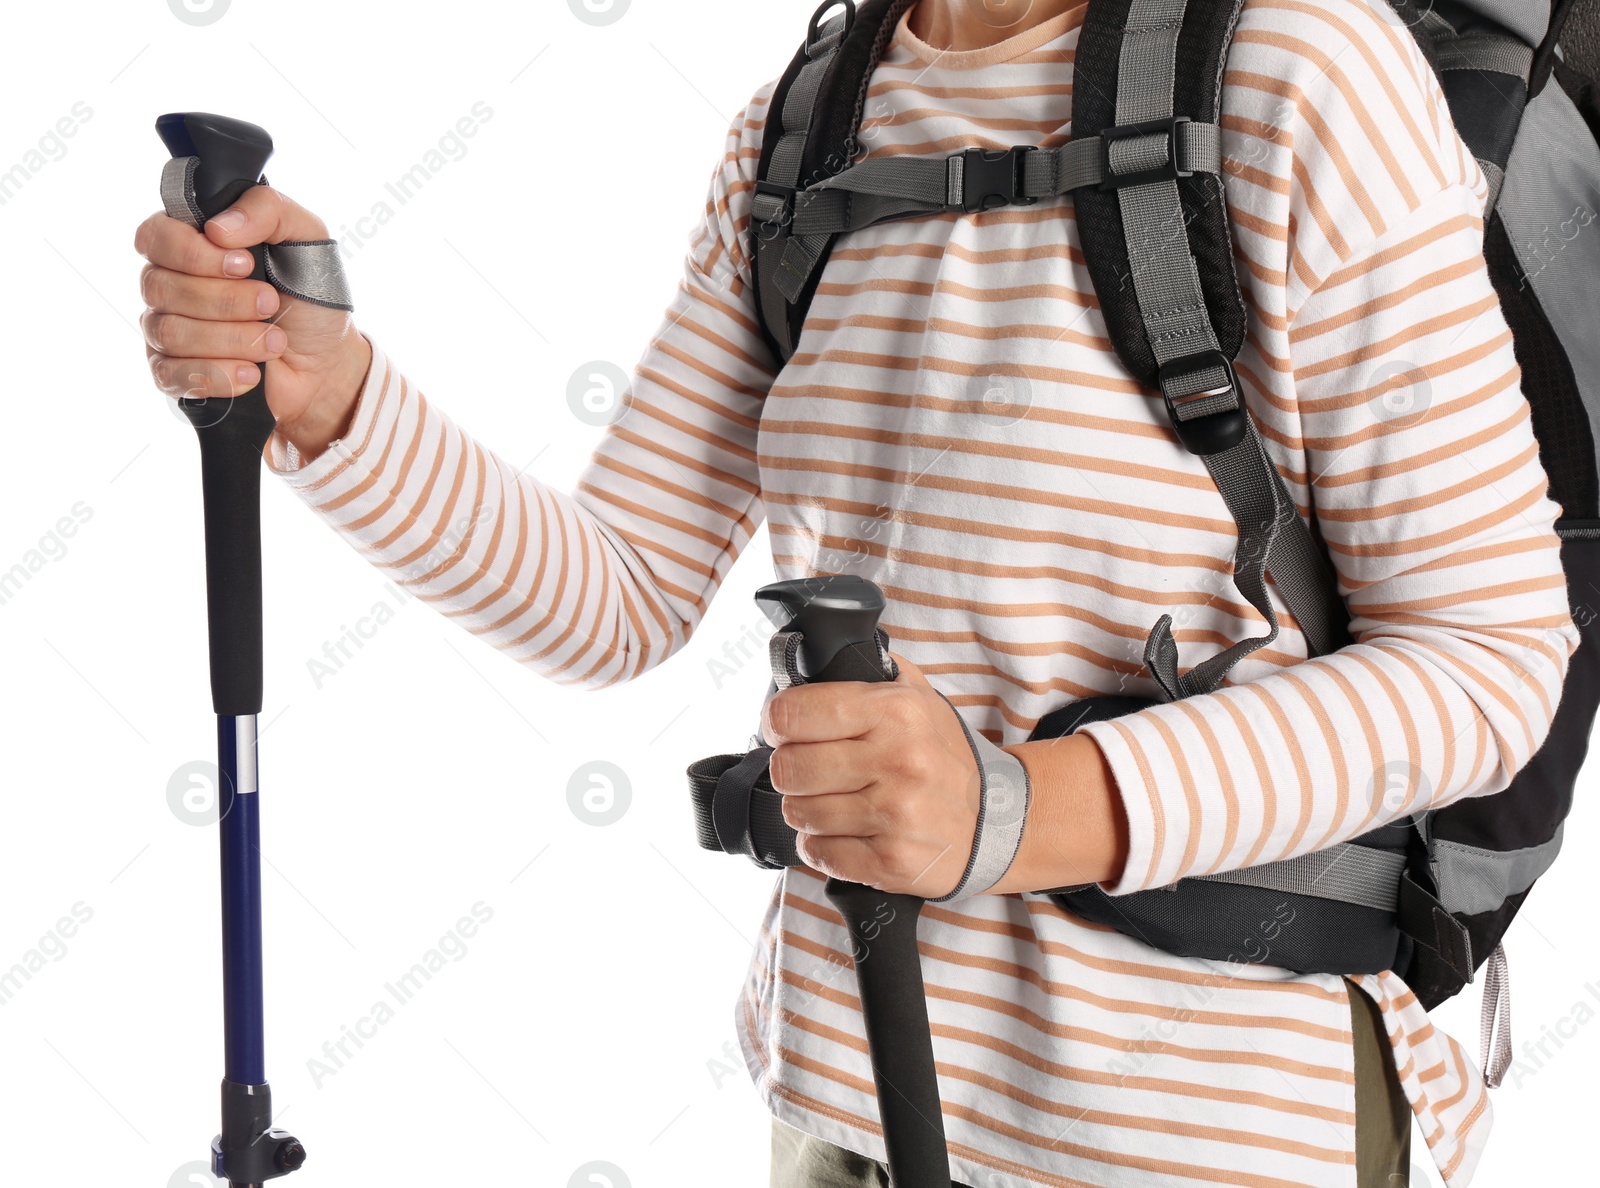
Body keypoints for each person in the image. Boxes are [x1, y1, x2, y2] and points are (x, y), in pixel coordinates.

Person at [134, 0, 1578, 1184]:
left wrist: (1012, 811)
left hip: (1205, 1138)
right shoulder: (809, 118)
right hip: (847, 1116)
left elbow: (1490, 660)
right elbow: (618, 593)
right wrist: (333, 406)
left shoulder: (1301, 74)